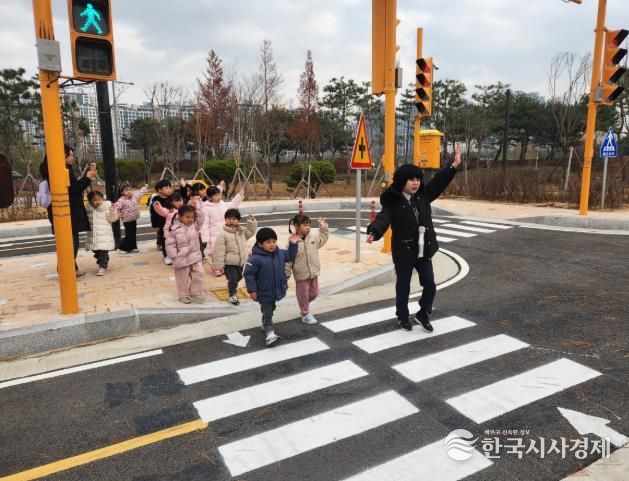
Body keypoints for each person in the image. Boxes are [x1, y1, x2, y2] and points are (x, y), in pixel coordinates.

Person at [367, 147, 462, 332]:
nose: (416, 183)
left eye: (418, 179)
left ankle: (423, 313)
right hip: (404, 251)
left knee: (430, 285)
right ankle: (402, 316)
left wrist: (454, 166)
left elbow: (439, 181)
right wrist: (374, 231)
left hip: (424, 249)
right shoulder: (393, 201)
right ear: (402, 181)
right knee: (403, 287)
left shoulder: (423, 196)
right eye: (411, 179)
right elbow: (383, 218)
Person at [39, 144, 96, 275]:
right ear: (61, 156)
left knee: (66, 241)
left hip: (59, 210)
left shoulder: (52, 169)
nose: (72, 158)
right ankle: (67, 269)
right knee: (72, 240)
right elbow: (73, 190)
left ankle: (68, 267)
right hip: (68, 210)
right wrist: (88, 177)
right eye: (69, 155)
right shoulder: (62, 170)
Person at [244, 227, 299, 347]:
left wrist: (293, 244)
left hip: (276, 289)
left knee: (271, 307)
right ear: (260, 244)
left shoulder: (280, 253)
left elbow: (290, 256)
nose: (272, 244)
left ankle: (265, 322)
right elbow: (249, 274)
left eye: (274, 241)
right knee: (268, 312)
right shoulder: (255, 258)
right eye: (268, 242)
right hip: (263, 291)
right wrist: (252, 290)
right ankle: (270, 334)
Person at [286, 214, 329, 325]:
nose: (308, 227)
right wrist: (286, 274)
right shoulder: (292, 242)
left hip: (313, 271)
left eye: (309, 225)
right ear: (297, 226)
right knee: (303, 294)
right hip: (301, 274)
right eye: (305, 225)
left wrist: (323, 228)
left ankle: (303, 304)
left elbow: (323, 238)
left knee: (314, 293)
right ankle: (305, 314)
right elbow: (288, 260)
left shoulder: (313, 237)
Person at [211, 209, 258, 305]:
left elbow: (251, 231)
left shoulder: (242, 231)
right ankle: (232, 295)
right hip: (229, 262)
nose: (231, 221)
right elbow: (219, 250)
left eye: (234, 219)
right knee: (233, 279)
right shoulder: (223, 234)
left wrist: (251, 221)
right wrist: (218, 265)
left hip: (241, 261)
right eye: (229, 219)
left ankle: (231, 283)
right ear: (225, 220)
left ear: (238, 220)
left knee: (239, 277)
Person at [165, 198, 206, 304]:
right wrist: (174, 256)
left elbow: (201, 218)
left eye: (192, 217)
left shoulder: (195, 226)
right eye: (187, 217)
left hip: (195, 257)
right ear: (180, 217)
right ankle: (183, 295)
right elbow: (170, 244)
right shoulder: (174, 229)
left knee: (199, 275)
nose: (190, 219)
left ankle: (196, 293)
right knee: (182, 279)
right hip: (181, 258)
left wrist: (196, 208)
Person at [203, 183, 244, 262]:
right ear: (209, 197)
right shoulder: (206, 209)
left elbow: (233, 204)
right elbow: (205, 225)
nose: (219, 197)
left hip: (225, 232)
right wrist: (205, 238)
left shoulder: (223, 204)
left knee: (226, 251)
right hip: (214, 235)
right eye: (216, 195)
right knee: (216, 254)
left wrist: (239, 196)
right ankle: (217, 266)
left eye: (219, 194)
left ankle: (225, 265)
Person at [85, 191, 118, 276]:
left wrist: (113, 212)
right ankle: (102, 261)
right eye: (95, 200)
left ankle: (102, 266)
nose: (98, 201)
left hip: (104, 235)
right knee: (96, 251)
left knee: (103, 252)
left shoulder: (106, 207)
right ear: (90, 201)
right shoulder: (88, 209)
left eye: (100, 199)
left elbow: (113, 219)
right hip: (93, 236)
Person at [114, 182, 150, 253]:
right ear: (122, 192)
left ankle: (132, 247)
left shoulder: (134, 196)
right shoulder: (121, 200)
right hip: (127, 220)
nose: (129, 191)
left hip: (133, 218)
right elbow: (116, 208)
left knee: (133, 234)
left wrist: (145, 187)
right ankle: (122, 248)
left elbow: (140, 192)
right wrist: (119, 215)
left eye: (130, 189)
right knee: (129, 235)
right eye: (126, 190)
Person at [149, 179, 175, 264]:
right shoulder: (156, 200)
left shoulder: (172, 198)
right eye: (166, 188)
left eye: (170, 187)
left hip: (173, 223)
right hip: (162, 224)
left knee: (174, 240)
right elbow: (153, 214)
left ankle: (174, 254)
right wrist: (155, 225)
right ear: (159, 190)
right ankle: (167, 256)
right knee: (164, 240)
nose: (169, 190)